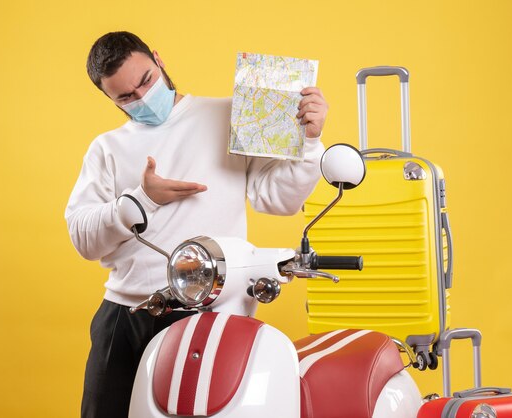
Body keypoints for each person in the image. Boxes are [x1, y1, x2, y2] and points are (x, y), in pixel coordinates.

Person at [65, 31, 329, 418]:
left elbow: (278, 200)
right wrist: (142, 199)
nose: (142, 98)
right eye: (126, 97)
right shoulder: (106, 147)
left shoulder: (233, 114)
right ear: (109, 98)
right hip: (126, 313)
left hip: (210, 311)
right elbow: (83, 240)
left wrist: (308, 143)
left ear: (158, 59)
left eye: (146, 81)